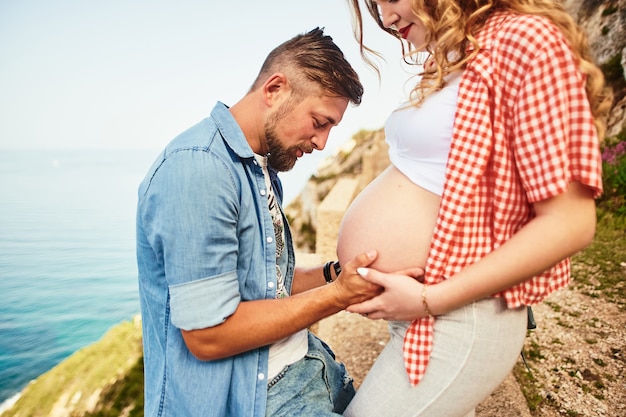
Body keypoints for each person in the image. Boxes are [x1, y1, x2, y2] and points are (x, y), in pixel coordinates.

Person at [336, 0, 612, 416]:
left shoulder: (524, 40)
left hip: (461, 314)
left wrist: (431, 299)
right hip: (423, 311)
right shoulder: (453, 58)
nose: (386, 19)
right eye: (376, 5)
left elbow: (569, 223)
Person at [136, 27, 383, 417]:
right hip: (259, 398)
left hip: (307, 367)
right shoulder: (199, 169)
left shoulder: (259, 167)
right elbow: (208, 336)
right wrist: (340, 297)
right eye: (319, 122)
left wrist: (336, 275)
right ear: (275, 90)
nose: (322, 143)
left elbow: (267, 284)